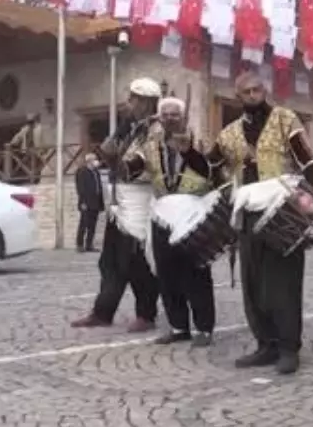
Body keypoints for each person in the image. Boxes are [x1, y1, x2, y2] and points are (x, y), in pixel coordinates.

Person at [197, 71, 313, 374]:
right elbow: (211, 166)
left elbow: (306, 157)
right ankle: (265, 344)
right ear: (238, 96)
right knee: (254, 283)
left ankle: (288, 348)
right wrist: (190, 153)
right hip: (249, 214)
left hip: (283, 210)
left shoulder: (285, 119)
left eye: (257, 89)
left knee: (284, 282)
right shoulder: (229, 133)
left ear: (264, 90)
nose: (253, 95)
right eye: (246, 92)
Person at [124, 96, 218, 347]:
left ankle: (204, 328)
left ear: (184, 116)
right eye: (165, 114)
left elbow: (212, 171)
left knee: (196, 271)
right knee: (167, 273)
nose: (169, 118)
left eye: (175, 114)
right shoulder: (150, 143)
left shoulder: (200, 139)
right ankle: (178, 327)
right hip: (163, 211)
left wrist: (189, 151)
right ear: (159, 117)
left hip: (192, 210)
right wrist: (121, 155)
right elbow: (133, 167)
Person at [71, 79, 161, 332]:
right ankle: (103, 311)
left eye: (133, 99)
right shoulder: (130, 128)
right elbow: (107, 153)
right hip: (119, 199)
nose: (128, 103)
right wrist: (119, 133)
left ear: (145, 102)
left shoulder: (155, 130)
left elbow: (140, 166)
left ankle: (147, 313)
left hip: (140, 198)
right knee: (109, 260)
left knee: (136, 260)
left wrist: (115, 161)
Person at [75, 153, 104, 252]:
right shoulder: (82, 171)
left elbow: (99, 187)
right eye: (95, 159)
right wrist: (82, 202)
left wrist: (101, 203)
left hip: (95, 202)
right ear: (89, 161)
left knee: (92, 225)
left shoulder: (96, 172)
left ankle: (89, 245)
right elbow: (80, 188)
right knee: (83, 224)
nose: (97, 161)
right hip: (86, 202)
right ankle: (79, 244)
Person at [6, 113, 43, 184]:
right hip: (26, 151)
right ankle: (30, 180)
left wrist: (43, 150)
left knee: (36, 166)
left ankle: (36, 180)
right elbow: (17, 138)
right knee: (27, 166)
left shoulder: (39, 128)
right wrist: (12, 143)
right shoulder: (24, 129)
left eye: (31, 121)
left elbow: (41, 140)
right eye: (29, 122)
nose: (30, 123)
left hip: (36, 151)